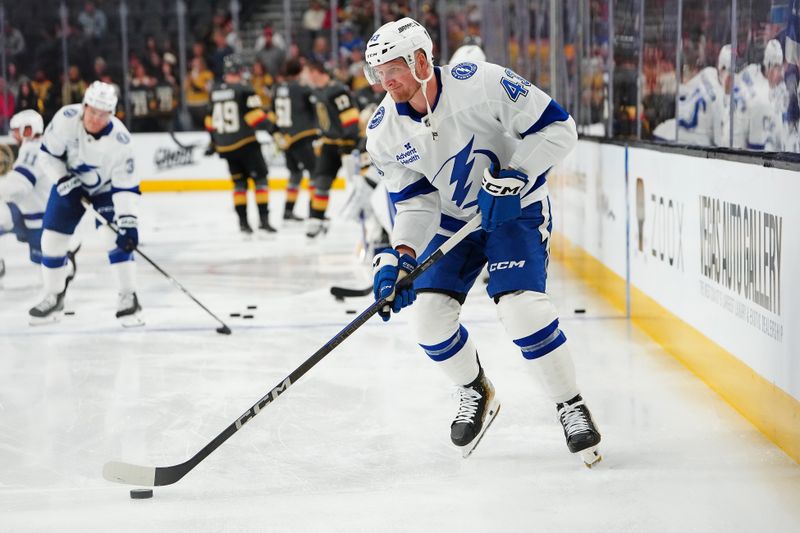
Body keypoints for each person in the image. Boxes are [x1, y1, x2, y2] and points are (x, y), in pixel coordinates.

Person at [364, 17, 602, 465]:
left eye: (393, 67)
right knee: (429, 321)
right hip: (453, 222)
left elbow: (559, 129)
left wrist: (516, 175)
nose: (386, 80)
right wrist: (402, 254)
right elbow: (414, 204)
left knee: (521, 309)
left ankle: (570, 404)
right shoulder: (384, 132)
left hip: (515, 208)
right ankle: (475, 389)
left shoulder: (485, 83)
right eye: (378, 72)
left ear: (420, 60)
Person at [30, 81, 142, 326]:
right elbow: (47, 155)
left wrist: (129, 224)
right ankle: (54, 295)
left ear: (111, 114)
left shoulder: (121, 142)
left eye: (102, 114)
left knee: (115, 239)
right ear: (84, 106)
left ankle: (128, 297)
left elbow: (126, 187)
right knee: (51, 240)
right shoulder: (65, 119)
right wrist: (64, 180)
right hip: (70, 183)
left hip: (106, 190)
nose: (95, 118)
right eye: (92, 111)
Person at [0, 110, 78, 281]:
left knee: (50, 269)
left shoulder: (33, 150)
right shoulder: (41, 146)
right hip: (33, 215)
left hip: (41, 221)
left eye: (16, 130)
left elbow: (19, 187)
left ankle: (66, 259)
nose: (13, 134)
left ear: (28, 130)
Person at [205, 54, 277, 234]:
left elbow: (209, 122)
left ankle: (243, 223)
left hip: (226, 147)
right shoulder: (244, 90)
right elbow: (255, 117)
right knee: (260, 180)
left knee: (239, 185)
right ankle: (263, 220)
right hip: (246, 143)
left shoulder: (214, 92)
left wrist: (213, 142)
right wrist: (274, 130)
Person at [305, 60, 360, 238]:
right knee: (321, 182)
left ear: (316, 72)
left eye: (309, 72)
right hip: (328, 144)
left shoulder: (337, 90)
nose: (307, 77)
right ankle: (316, 220)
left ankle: (368, 220)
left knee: (357, 185)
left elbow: (351, 118)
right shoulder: (316, 92)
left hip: (347, 145)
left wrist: (349, 140)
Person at [271, 59, 320, 221]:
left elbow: (271, 114)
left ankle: (287, 210)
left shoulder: (277, 88)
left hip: (285, 138)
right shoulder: (302, 89)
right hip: (301, 136)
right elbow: (317, 109)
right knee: (314, 173)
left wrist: (276, 133)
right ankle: (314, 210)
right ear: (299, 72)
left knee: (295, 174)